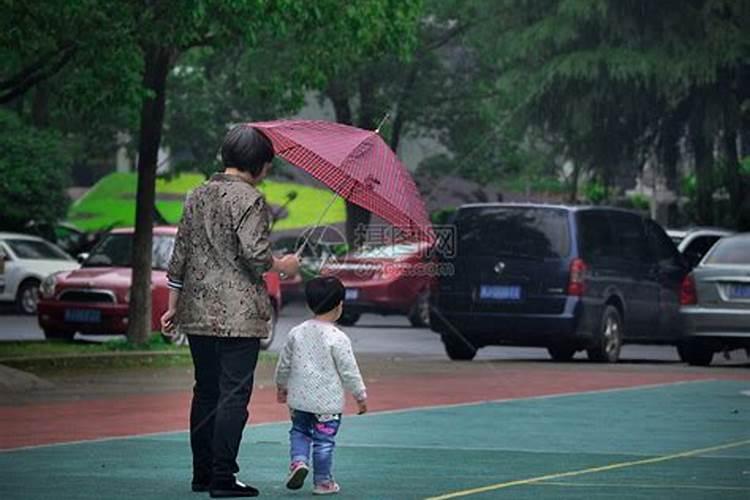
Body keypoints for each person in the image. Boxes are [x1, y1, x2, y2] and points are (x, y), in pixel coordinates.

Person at [161, 125, 300, 498]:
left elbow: (180, 257)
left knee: (204, 391)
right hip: (239, 317)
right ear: (257, 164)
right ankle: (224, 477)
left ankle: (202, 474)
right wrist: (284, 265)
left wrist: (172, 307)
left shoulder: (196, 196)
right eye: (267, 166)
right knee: (233, 396)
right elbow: (256, 256)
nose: (267, 172)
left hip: (197, 310)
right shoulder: (251, 200)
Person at [274, 276, 368, 496]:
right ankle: (323, 482)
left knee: (299, 432)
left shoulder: (296, 332)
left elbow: (284, 363)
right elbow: (349, 370)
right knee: (324, 441)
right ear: (339, 305)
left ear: (309, 304)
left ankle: (298, 462)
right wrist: (360, 395)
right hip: (328, 404)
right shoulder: (338, 337)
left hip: (299, 401)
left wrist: (281, 386)